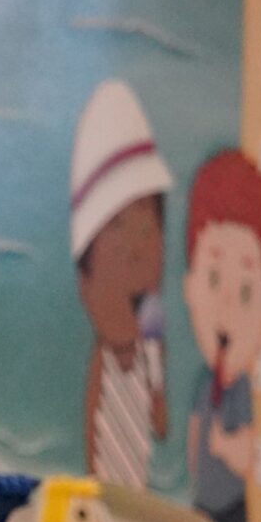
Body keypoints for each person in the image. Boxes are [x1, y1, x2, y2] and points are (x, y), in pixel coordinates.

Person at [69, 78, 172, 490]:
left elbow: (159, 413)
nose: (136, 253)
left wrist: (159, 401)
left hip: (140, 473)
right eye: (116, 232)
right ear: (84, 283)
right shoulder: (103, 358)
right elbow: (95, 415)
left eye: (148, 232)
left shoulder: (152, 335)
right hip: (110, 477)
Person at [182, 145, 261, 522]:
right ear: (189, 286)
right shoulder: (206, 381)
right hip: (201, 507)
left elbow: (246, 450)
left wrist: (224, 447)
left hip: (233, 510)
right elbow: (196, 431)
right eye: (214, 279)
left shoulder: (239, 389)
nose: (229, 304)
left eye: (248, 290)